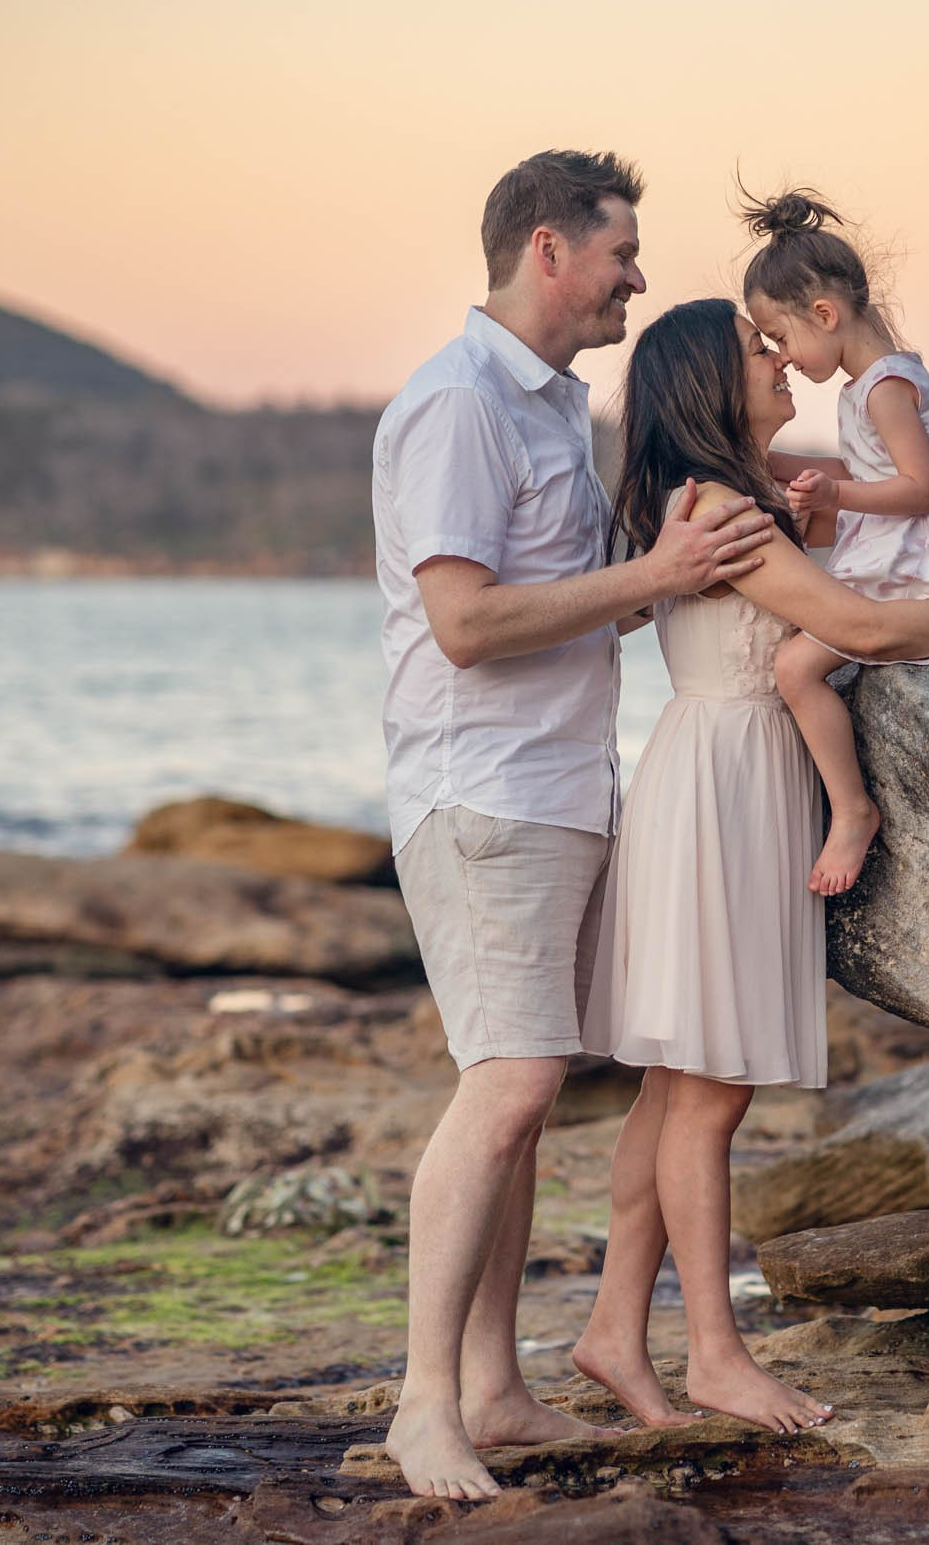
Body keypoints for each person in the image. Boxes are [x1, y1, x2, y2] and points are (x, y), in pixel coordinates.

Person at [570, 298, 929, 1433]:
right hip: (725, 784)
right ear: (709, 380)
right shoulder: (724, 510)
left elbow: (883, 540)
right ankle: (712, 1353)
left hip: (717, 771)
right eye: (757, 349)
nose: (782, 358)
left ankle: (609, 1329)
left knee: (674, 1087)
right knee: (709, 1089)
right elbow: (867, 629)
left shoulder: (706, 493)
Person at [371, 153, 780, 1500]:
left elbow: (576, 597)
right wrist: (656, 572)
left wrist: (696, 565)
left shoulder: (551, 410)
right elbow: (467, 622)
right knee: (512, 1084)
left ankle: (493, 1384)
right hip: (482, 788)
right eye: (622, 252)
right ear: (550, 249)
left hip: (560, 788)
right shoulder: (458, 402)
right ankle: (424, 1403)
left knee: (524, 1093)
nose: (639, 278)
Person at [740, 189, 929, 896]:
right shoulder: (874, 381)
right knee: (803, 639)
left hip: (924, 560)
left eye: (781, 337)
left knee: (795, 667)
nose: (783, 357)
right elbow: (876, 471)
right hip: (909, 549)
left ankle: (853, 809)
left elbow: (919, 489)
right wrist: (793, 472)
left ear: (824, 315)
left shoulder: (884, 386)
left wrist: (833, 495)